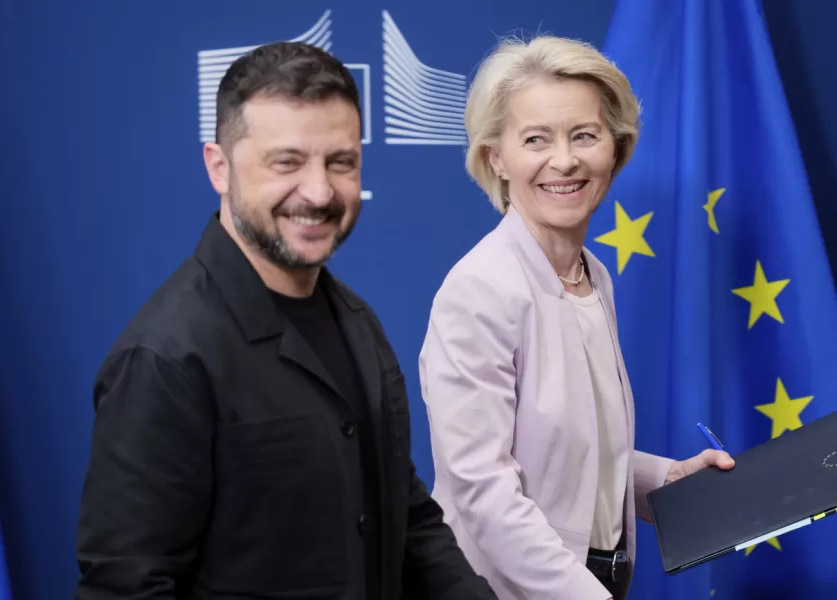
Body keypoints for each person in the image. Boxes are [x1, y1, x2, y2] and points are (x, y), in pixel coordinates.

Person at [75, 41, 497, 600]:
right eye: (287, 162)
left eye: (340, 162)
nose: (320, 191)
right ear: (218, 167)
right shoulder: (164, 359)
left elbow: (408, 519)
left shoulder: (356, 321)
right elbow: (126, 589)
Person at [417, 35, 735, 600]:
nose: (564, 160)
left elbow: (563, 450)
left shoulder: (591, 274)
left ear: (615, 148)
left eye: (584, 136)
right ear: (496, 157)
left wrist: (665, 483)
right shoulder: (480, 290)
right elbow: (485, 492)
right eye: (536, 139)